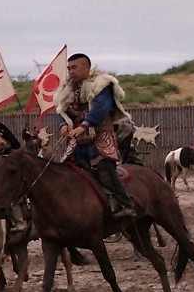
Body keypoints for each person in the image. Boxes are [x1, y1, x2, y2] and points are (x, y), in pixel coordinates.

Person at [54, 52, 136, 221]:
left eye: (74, 67)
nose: (70, 71)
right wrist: (62, 124)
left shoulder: (102, 84)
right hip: (77, 139)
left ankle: (126, 204)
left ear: (86, 67)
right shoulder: (67, 89)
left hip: (100, 135)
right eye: (69, 68)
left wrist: (85, 125)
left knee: (105, 170)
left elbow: (101, 108)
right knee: (66, 171)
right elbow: (61, 109)